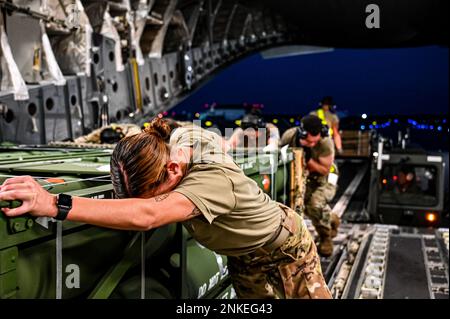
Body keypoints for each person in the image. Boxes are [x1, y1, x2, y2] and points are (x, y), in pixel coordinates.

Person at [0, 118, 331, 299]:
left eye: (150, 193)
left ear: (172, 172)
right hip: (243, 257)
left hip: (284, 248)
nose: (147, 200)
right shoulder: (182, 142)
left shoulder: (211, 180)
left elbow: (148, 215)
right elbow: (173, 127)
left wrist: (53, 203)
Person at [280, 115, 340, 257]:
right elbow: (280, 156)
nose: (312, 144)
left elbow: (324, 169)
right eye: (308, 141)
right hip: (303, 176)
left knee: (315, 204)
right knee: (300, 205)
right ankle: (331, 218)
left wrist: (305, 157)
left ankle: (326, 237)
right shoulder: (290, 136)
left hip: (326, 177)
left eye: (315, 142)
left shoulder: (326, 142)